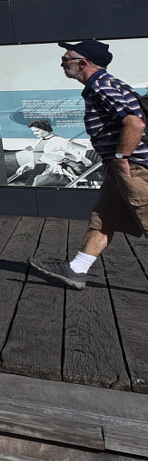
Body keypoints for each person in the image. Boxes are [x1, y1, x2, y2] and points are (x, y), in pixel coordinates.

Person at [31, 41, 147, 290]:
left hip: (134, 169)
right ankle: (77, 270)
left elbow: (135, 124)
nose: (62, 64)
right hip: (119, 172)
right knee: (104, 219)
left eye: (66, 59)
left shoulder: (102, 85)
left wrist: (121, 158)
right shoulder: (102, 85)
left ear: (82, 63)